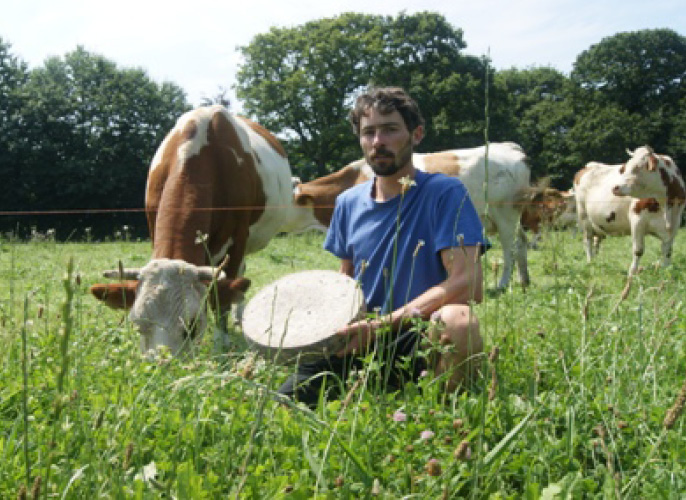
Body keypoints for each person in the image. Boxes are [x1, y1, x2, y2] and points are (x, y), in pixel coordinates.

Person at [278, 87, 486, 408]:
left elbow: (468, 283)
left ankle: (447, 416)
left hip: (415, 333)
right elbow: (345, 279)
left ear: (416, 135)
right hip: (359, 336)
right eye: (369, 132)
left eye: (390, 130)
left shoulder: (445, 193)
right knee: (284, 406)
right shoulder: (347, 203)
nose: (378, 142)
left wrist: (383, 326)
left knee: (457, 320)